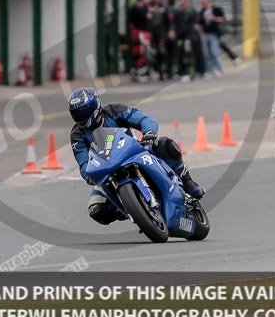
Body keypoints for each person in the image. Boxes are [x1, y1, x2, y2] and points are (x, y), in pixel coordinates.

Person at [68, 87, 204, 226]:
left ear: (95, 106)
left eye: (83, 111)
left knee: (166, 145)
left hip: (134, 151)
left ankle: (187, 182)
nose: (80, 116)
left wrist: (149, 132)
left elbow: (143, 119)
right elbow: (83, 161)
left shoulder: (115, 110)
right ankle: (134, 210)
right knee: (96, 209)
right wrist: (88, 175)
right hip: (106, 169)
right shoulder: (77, 134)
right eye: (76, 113)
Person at [174, 0, 204, 80]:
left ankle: (188, 73)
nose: (181, 3)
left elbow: (194, 23)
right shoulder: (178, 12)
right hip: (180, 37)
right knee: (180, 54)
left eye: (183, 1)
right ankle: (180, 72)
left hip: (189, 37)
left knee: (188, 55)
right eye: (181, 1)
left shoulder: (192, 11)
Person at [198, 0, 224, 77]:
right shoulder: (202, 11)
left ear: (207, 0)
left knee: (215, 52)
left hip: (213, 34)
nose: (202, 3)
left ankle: (219, 69)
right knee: (206, 53)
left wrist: (214, 18)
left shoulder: (216, 9)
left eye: (203, 1)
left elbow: (222, 19)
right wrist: (200, 32)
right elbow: (200, 23)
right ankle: (208, 70)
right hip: (205, 34)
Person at [147, 0, 169, 80]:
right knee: (150, 52)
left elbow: (168, 20)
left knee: (161, 51)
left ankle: (161, 71)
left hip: (161, 33)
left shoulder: (163, 6)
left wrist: (169, 30)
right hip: (150, 33)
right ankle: (149, 71)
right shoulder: (148, 6)